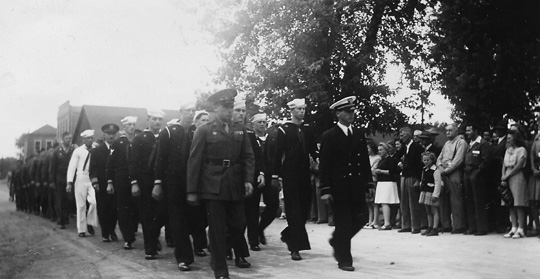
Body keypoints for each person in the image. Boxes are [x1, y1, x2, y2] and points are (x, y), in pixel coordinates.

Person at [187, 88, 255, 279]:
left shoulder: (240, 130)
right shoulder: (204, 130)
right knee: (216, 229)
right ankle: (220, 270)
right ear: (216, 108)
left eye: (231, 107)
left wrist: (248, 179)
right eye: (225, 107)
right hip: (213, 185)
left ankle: (217, 250)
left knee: (239, 224)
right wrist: (192, 190)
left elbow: (248, 157)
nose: (229, 111)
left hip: (235, 184)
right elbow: (195, 161)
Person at [319, 96, 372, 271]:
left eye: (352, 111)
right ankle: (345, 259)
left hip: (356, 186)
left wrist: (368, 184)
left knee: (362, 217)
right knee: (343, 223)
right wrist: (325, 189)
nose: (352, 114)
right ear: (338, 113)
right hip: (339, 188)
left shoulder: (357, 135)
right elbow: (325, 165)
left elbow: (364, 161)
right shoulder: (329, 136)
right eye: (347, 111)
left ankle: (337, 241)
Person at [272, 98, 317, 261]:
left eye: (303, 108)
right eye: (298, 109)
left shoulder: (308, 128)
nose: (301, 111)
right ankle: (295, 248)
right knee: (293, 210)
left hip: (305, 172)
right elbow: (277, 155)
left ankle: (287, 234)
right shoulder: (284, 130)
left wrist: (318, 160)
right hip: (290, 173)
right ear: (291, 111)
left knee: (305, 210)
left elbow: (313, 150)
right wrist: (275, 176)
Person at [129, 109, 165, 260]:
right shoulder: (140, 139)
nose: (157, 122)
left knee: (162, 215)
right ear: (148, 120)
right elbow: (133, 162)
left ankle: (153, 238)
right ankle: (149, 248)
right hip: (145, 182)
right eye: (154, 119)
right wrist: (134, 182)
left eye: (159, 119)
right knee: (147, 215)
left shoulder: (165, 137)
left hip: (163, 182)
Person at [107, 116, 138, 249]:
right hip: (122, 179)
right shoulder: (118, 143)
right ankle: (128, 238)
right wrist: (110, 181)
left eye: (133, 124)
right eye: (129, 125)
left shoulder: (138, 140)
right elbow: (110, 163)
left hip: (136, 178)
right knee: (124, 209)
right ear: (124, 127)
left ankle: (138, 232)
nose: (132, 127)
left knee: (137, 208)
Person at [90, 124, 119, 242]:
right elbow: (92, 169)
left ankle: (112, 230)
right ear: (104, 135)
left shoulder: (119, 149)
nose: (111, 136)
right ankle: (105, 232)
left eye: (113, 134)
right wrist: (95, 182)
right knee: (103, 208)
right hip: (101, 184)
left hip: (116, 184)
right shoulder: (97, 151)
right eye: (109, 134)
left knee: (114, 209)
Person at [436, 123, 467, 233]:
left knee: (456, 199)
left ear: (456, 131)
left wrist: (447, 170)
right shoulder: (446, 143)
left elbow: (458, 160)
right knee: (443, 198)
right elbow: (439, 158)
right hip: (443, 172)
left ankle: (459, 226)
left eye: (450, 130)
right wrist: (440, 168)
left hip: (454, 172)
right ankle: (446, 224)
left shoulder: (461, 142)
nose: (447, 132)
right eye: (446, 131)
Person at [66, 129, 98, 237]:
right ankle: (81, 230)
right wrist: (69, 182)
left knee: (94, 202)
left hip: (92, 178)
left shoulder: (96, 149)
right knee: (81, 205)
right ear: (83, 139)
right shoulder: (78, 151)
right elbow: (72, 167)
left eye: (91, 138)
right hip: (81, 178)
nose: (90, 140)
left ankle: (89, 222)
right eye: (88, 138)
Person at [464, 123, 492, 236]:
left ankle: (481, 228)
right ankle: (472, 227)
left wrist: (477, 172)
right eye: (466, 130)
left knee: (478, 202)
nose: (467, 133)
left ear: (476, 131)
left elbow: (486, 160)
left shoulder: (483, 144)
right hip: (467, 173)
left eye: (469, 130)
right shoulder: (469, 144)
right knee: (469, 201)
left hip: (477, 175)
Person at [397, 127, 425, 234]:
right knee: (404, 201)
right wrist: (399, 163)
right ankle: (406, 225)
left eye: (403, 136)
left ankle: (416, 225)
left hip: (413, 176)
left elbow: (420, 165)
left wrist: (418, 179)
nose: (401, 138)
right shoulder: (404, 147)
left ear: (408, 136)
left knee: (413, 202)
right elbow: (396, 157)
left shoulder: (417, 147)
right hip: (404, 175)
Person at [502, 130, 529, 238]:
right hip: (507, 175)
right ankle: (513, 227)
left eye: (509, 138)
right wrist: (503, 177)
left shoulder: (522, 150)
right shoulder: (507, 150)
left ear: (515, 138)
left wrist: (508, 176)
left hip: (517, 176)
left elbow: (519, 165)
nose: (508, 140)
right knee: (510, 203)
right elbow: (504, 165)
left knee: (519, 203)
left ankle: (521, 228)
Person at [373, 142, 400, 231]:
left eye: (381, 150)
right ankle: (387, 222)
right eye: (378, 150)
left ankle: (387, 223)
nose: (379, 152)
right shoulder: (381, 160)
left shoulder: (390, 159)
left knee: (385, 202)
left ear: (386, 150)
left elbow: (392, 172)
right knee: (382, 202)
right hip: (381, 182)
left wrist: (381, 171)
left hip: (388, 182)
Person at [418, 152, 442, 236]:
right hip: (425, 191)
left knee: (434, 210)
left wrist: (435, 195)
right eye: (424, 160)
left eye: (428, 160)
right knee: (428, 210)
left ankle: (435, 228)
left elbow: (438, 183)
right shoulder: (424, 169)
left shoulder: (435, 170)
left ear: (432, 160)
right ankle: (430, 226)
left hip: (431, 192)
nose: (426, 162)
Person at [364, 142, 380, 229]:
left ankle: (375, 220)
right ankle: (370, 220)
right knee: (368, 202)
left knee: (374, 202)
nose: (367, 150)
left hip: (373, 180)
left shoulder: (377, 158)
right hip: (367, 181)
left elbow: (373, 170)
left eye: (368, 148)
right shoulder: (367, 157)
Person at [528, 115, 540, 237]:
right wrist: (533, 168)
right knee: (533, 201)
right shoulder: (536, 137)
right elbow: (532, 153)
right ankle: (537, 228)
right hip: (535, 174)